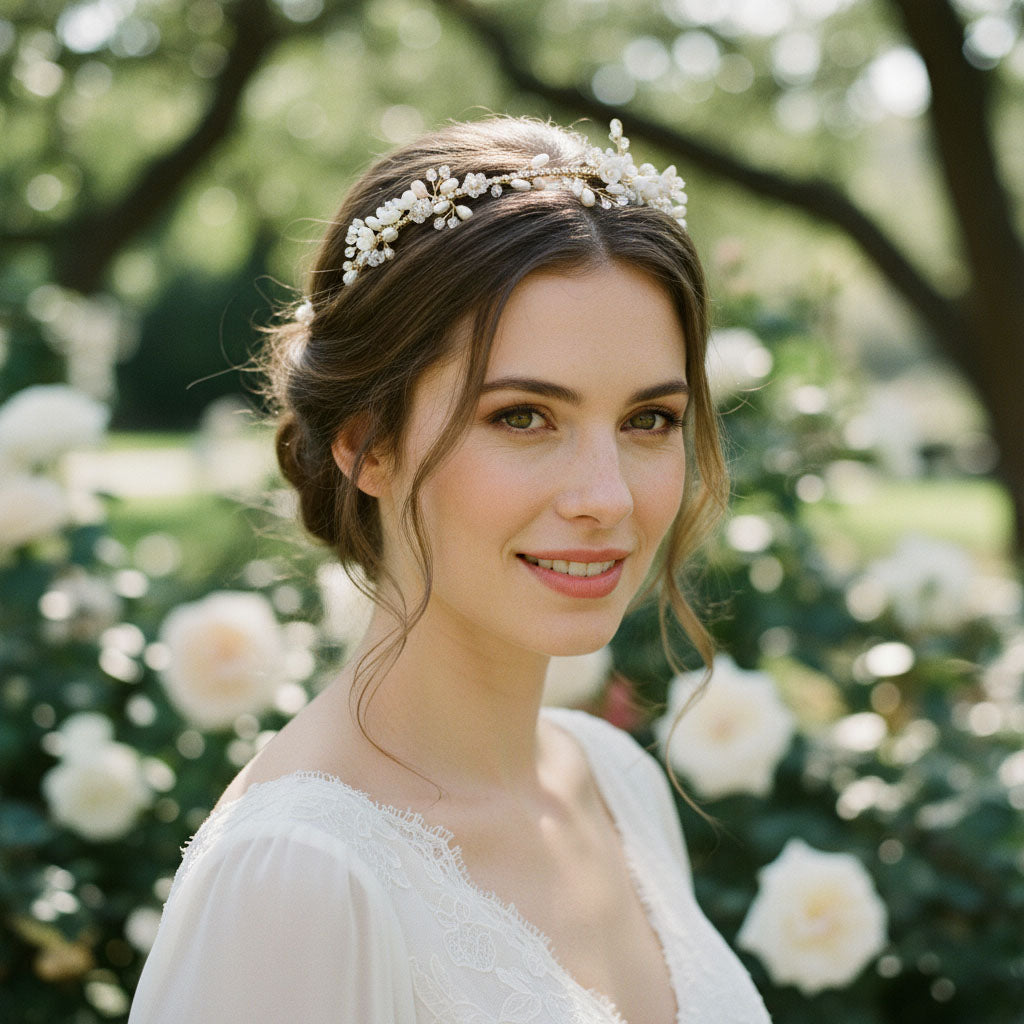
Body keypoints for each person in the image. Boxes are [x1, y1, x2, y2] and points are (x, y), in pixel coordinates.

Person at [128, 116, 771, 1023]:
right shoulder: (302, 880)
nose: (608, 497)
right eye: (523, 417)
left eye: (649, 420)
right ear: (368, 443)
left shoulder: (612, 784)